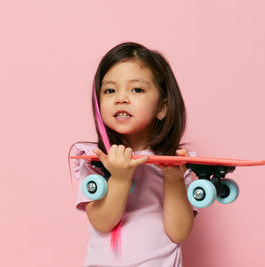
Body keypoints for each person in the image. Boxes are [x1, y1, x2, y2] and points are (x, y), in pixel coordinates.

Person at [69, 42, 198, 267]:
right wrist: (119, 178)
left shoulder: (177, 163)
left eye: (136, 89)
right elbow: (102, 222)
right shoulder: (95, 160)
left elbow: (178, 233)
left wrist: (174, 180)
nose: (121, 98)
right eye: (110, 90)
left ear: (162, 107)